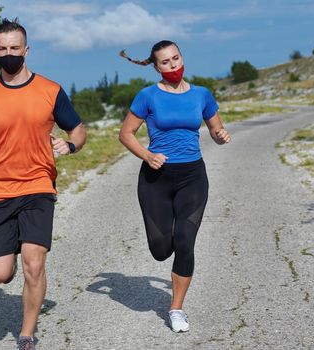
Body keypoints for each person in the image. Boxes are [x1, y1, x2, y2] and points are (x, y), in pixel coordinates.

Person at [0, 18, 86, 350]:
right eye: (2, 49)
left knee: (34, 262)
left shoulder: (50, 90)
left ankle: (27, 333)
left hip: (38, 186)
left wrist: (69, 146)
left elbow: (78, 130)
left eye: (15, 48)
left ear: (26, 50)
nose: (9, 54)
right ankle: (14, 250)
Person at [118, 40, 231, 333]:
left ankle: (176, 309)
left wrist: (219, 135)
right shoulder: (147, 96)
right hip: (156, 177)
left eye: (176, 58)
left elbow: (214, 128)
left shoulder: (202, 94)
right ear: (156, 67)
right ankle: (164, 243)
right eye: (165, 62)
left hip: (193, 175)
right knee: (160, 249)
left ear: (182, 58)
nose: (173, 65)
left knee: (184, 241)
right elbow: (126, 134)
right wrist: (147, 155)